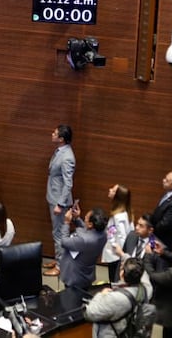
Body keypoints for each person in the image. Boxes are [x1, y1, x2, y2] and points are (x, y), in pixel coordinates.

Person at [83, 257, 153, 338]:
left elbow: (90, 313)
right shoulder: (146, 288)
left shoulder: (115, 298)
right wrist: (125, 257)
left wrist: (101, 295)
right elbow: (143, 272)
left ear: (122, 274)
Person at [45, 124, 75, 268]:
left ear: (61, 139)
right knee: (56, 231)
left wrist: (60, 204)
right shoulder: (60, 151)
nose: (52, 134)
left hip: (59, 201)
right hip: (53, 196)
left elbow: (68, 183)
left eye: (55, 133)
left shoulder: (67, 157)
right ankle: (58, 258)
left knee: (60, 233)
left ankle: (60, 265)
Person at [57, 206, 108, 289]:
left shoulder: (84, 240)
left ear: (91, 224)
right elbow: (88, 229)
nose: (84, 218)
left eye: (86, 218)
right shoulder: (103, 234)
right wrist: (77, 218)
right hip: (87, 273)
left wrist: (66, 222)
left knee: (72, 296)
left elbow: (64, 241)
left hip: (74, 277)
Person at [103, 183, 133, 283]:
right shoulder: (125, 213)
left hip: (116, 256)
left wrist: (119, 252)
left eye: (113, 190)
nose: (110, 189)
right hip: (117, 255)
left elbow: (122, 237)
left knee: (114, 281)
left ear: (117, 197)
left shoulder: (118, 217)